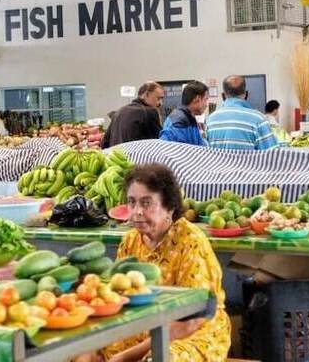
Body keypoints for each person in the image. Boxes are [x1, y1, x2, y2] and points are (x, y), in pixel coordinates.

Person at [76, 164, 230, 362]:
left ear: (169, 207)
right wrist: (90, 348)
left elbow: (191, 322)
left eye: (146, 203)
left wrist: (125, 357)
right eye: (132, 203)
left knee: (162, 358)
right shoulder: (130, 241)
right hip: (141, 328)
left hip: (188, 333)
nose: (137, 211)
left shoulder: (190, 242)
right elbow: (118, 301)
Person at [206, 76, 277, 151]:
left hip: (219, 163)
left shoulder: (210, 120)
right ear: (246, 94)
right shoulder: (259, 119)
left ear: (223, 95)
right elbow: (271, 154)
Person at [102, 82, 164, 148]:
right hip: (137, 157)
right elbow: (158, 143)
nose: (160, 103)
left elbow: (104, 143)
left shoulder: (119, 112)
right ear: (146, 95)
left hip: (116, 156)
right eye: (158, 98)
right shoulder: (149, 112)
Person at [159, 81, 208, 146]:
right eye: (206, 99)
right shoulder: (179, 122)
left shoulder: (189, 118)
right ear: (197, 99)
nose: (206, 104)